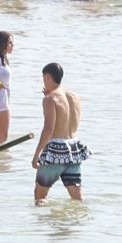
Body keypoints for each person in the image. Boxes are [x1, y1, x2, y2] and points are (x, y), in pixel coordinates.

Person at [32, 62, 90, 202]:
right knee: (77, 198)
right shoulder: (75, 97)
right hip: (74, 149)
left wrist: (36, 154)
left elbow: (49, 129)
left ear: (47, 77)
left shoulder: (50, 99)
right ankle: (74, 223)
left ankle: (42, 224)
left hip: (56, 152)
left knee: (40, 196)